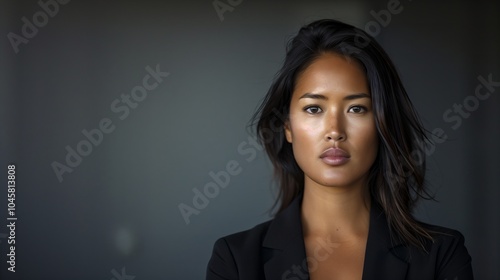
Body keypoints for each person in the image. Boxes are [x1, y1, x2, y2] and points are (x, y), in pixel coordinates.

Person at [206, 19, 473, 280]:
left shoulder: (441, 254)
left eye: (357, 109)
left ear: (382, 124)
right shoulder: (235, 260)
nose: (335, 130)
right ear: (287, 127)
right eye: (314, 109)